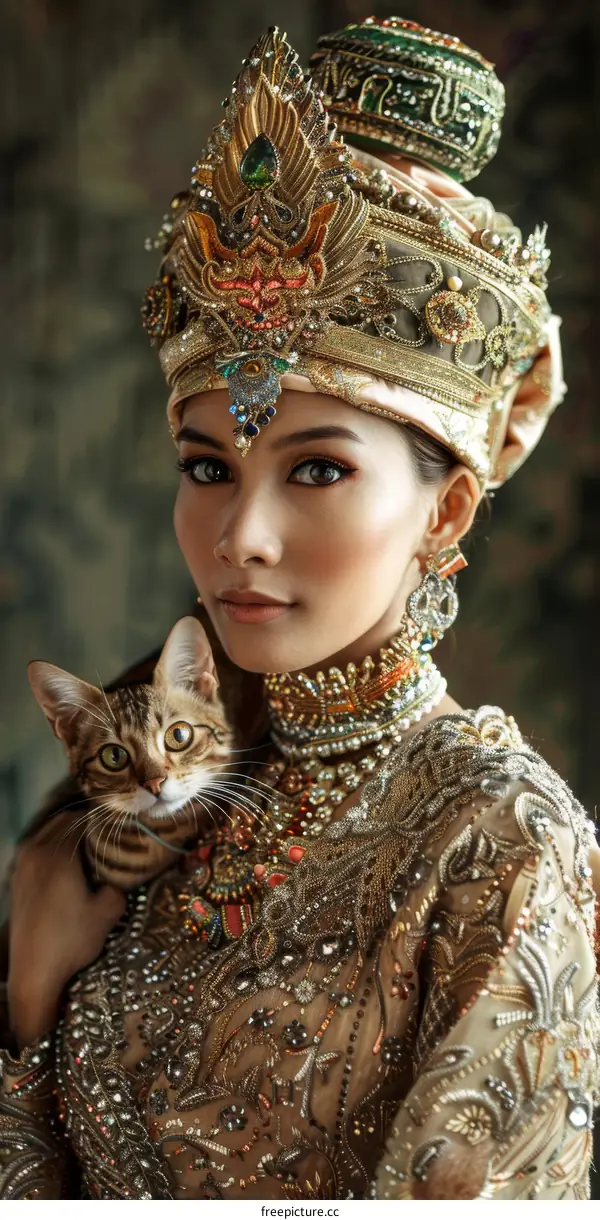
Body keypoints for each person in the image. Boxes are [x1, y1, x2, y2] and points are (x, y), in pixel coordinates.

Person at [1, 18, 599, 1201]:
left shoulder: (500, 836)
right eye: (207, 465)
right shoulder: (149, 805)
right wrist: (27, 999)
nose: (241, 535)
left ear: (446, 509)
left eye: (317, 468)